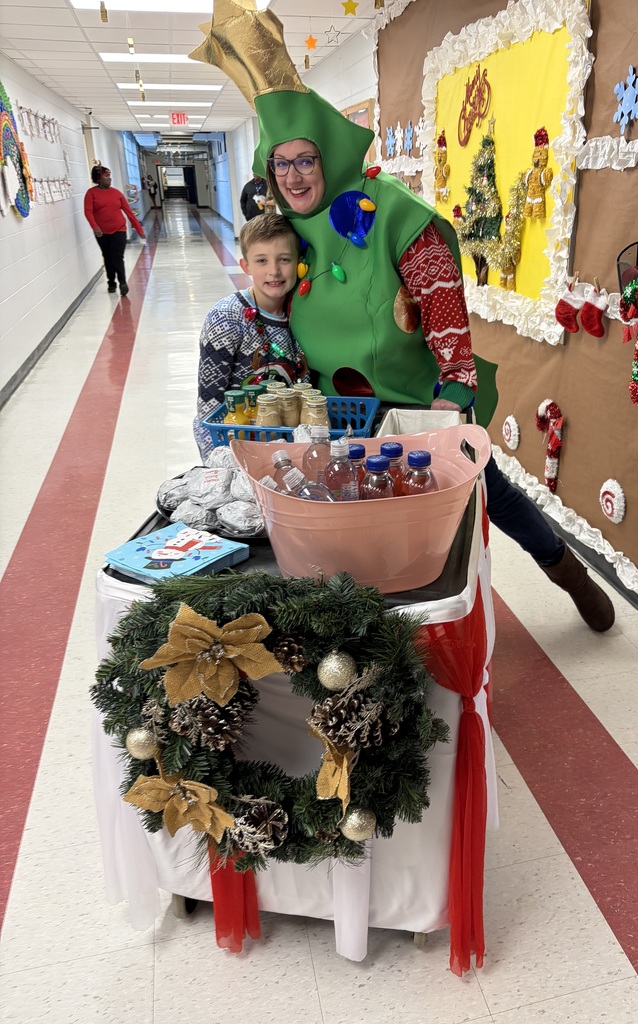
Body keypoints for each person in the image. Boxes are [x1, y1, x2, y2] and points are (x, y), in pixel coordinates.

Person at [192, 7, 614, 631]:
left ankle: (564, 571)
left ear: (328, 155)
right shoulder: (292, 229)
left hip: (415, 402)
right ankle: (378, 633)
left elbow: (442, 301)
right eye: (280, 164)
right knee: (359, 521)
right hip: (339, 415)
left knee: (487, 493)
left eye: (305, 160)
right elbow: (272, 296)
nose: (294, 176)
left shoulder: (389, 210)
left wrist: (455, 391)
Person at [193, 212, 310, 459]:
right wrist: (221, 461)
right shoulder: (226, 318)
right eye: (261, 261)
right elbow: (208, 409)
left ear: (299, 262)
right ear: (246, 265)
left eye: (284, 259)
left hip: (294, 447)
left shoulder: (306, 314)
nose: (274, 271)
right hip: (240, 448)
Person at [83, 165, 145, 296]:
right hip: (101, 232)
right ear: (99, 179)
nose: (109, 179)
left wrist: (139, 229)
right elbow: (88, 212)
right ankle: (111, 282)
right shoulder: (91, 193)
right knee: (107, 256)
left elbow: (129, 213)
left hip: (119, 230)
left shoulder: (117, 193)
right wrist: (95, 227)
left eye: (109, 176)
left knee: (118, 257)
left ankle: (122, 282)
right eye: (106, 177)